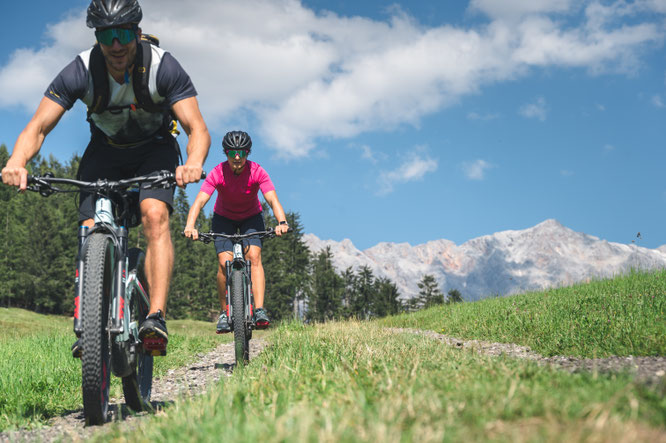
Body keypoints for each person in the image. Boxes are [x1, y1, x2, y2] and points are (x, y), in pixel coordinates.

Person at [1, 0, 210, 356]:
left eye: (124, 33)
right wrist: (17, 161)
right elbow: (38, 127)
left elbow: (197, 127)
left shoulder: (163, 66)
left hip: (155, 150)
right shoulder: (81, 70)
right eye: (107, 35)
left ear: (137, 33)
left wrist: (192, 162)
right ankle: (89, 323)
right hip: (107, 151)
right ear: (97, 38)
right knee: (89, 226)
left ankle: (156, 316)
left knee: (154, 215)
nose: (116, 45)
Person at [184, 131, 288, 332]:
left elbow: (272, 199)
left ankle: (259, 310)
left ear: (247, 153)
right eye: (232, 153)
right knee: (224, 262)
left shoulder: (257, 171)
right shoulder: (218, 173)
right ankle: (224, 312)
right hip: (224, 219)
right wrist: (190, 226)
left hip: (251, 218)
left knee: (254, 256)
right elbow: (200, 201)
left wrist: (282, 222)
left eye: (241, 153)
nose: (237, 158)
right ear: (226, 154)